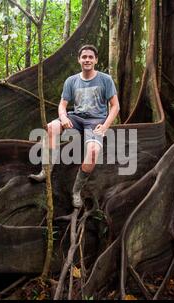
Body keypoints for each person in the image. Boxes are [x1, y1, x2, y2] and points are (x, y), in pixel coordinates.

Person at [29, 44, 120, 208]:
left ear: (96, 60)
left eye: (90, 57)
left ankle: (76, 191)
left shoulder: (105, 80)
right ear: (79, 60)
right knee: (51, 128)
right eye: (84, 57)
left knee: (92, 152)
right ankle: (46, 170)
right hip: (76, 118)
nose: (87, 60)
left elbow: (115, 106)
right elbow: (62, 105)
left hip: (96, 121)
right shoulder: (71, 81)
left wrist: (105, 126)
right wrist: (63, 117)